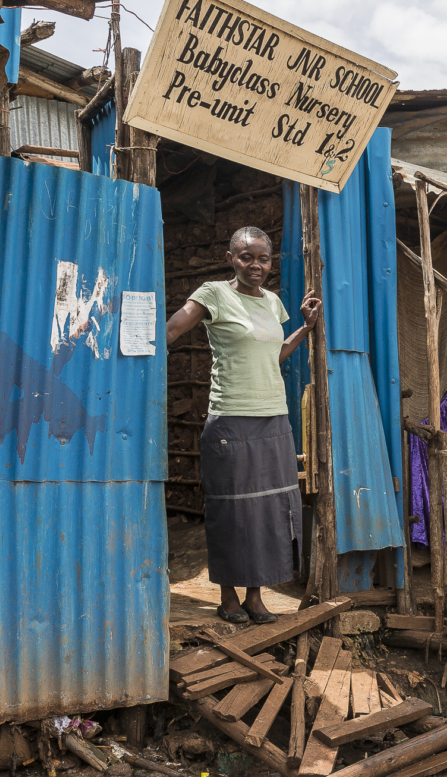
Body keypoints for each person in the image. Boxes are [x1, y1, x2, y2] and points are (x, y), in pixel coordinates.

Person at [166, 226, 321, 624]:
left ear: (271, 262)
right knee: (232, 510)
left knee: (269, 510)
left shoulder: (273, 302)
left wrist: (304, 327)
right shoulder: (213, 293)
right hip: (231, 421)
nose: (256, 265)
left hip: (273, 418)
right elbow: (171, 330)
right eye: (246, 256)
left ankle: (255, 597)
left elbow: (275, 354)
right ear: (230, 258)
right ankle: (229, 598)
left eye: (263, 258)